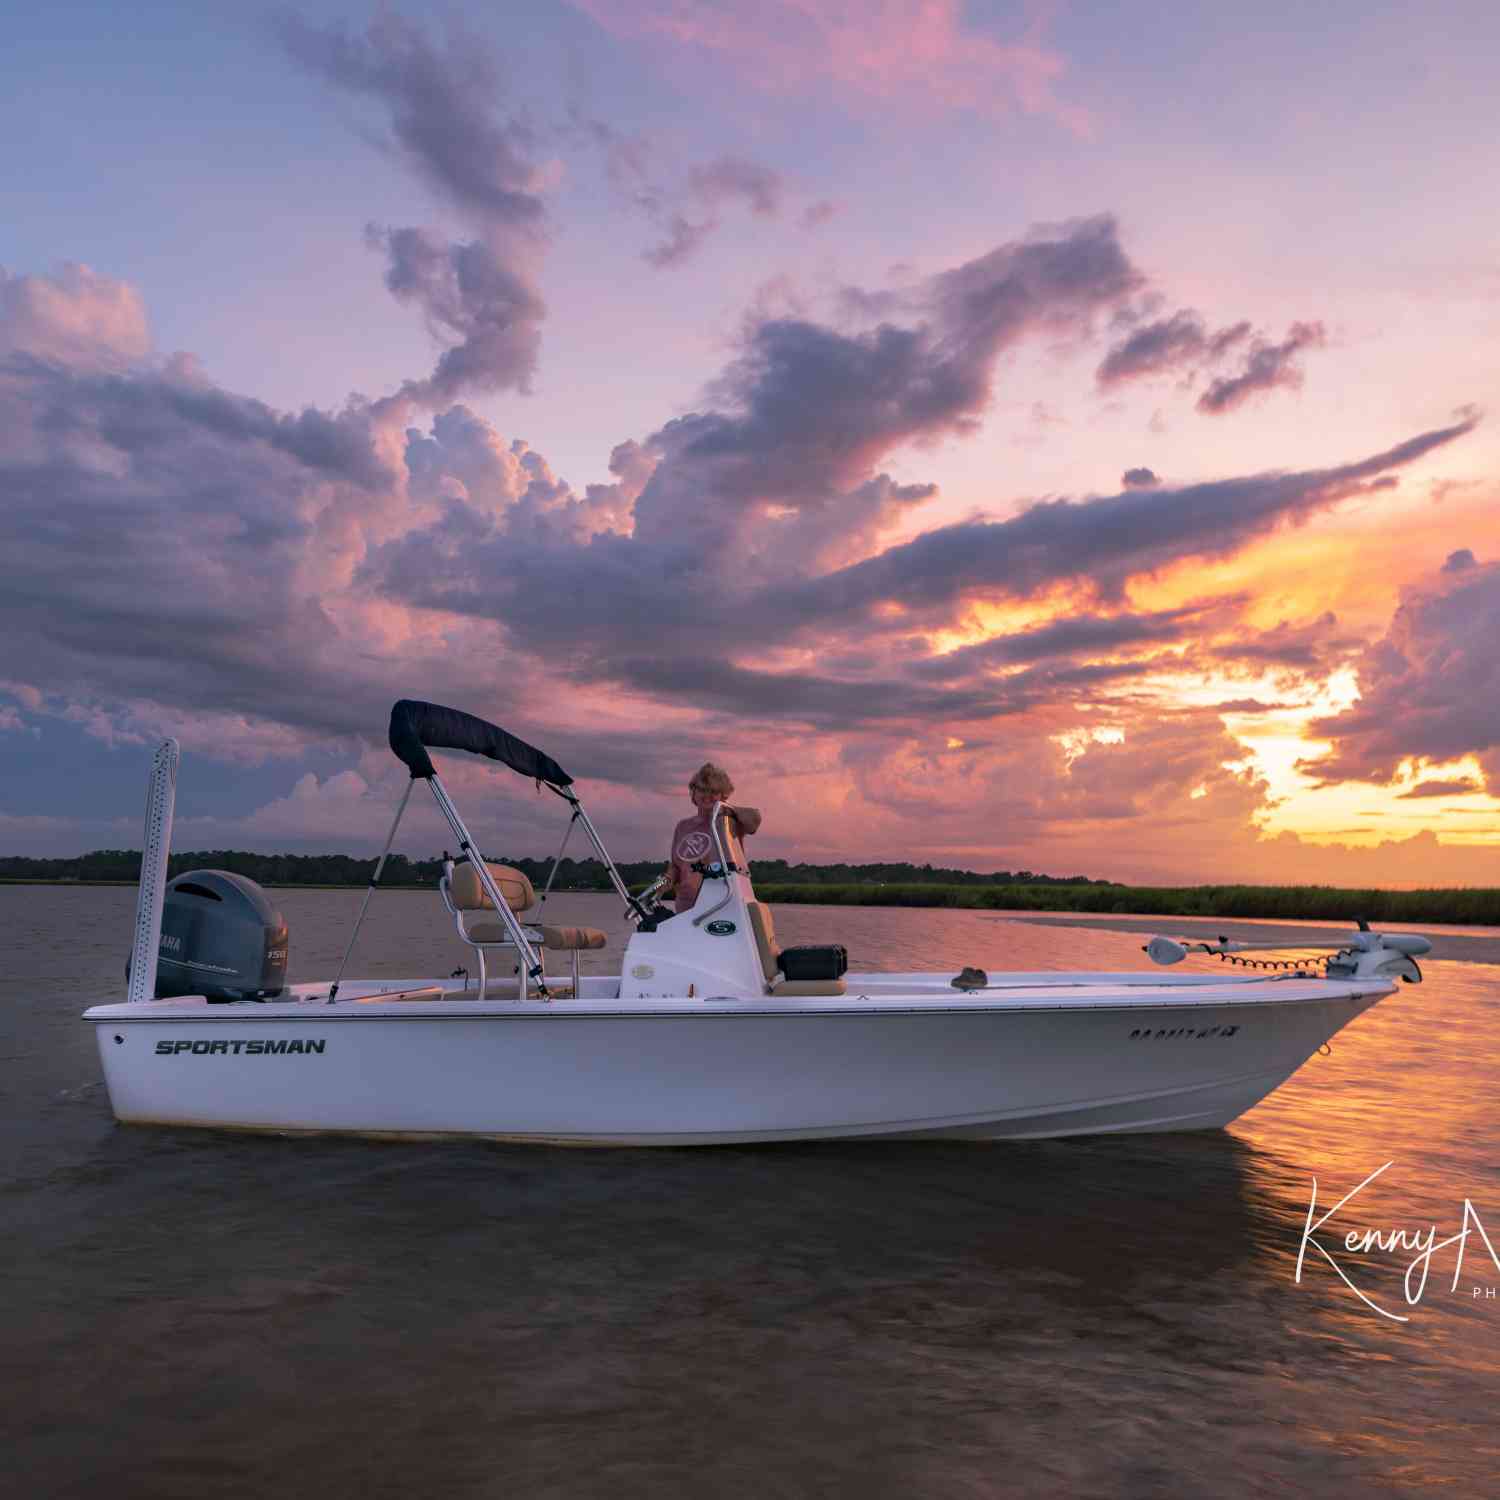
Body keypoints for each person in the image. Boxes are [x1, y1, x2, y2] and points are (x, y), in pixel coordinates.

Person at [662, 763, 761, 913]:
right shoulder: (682, 826)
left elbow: (755, 819)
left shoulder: (729, 821)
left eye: (713, 791)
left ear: (723, 795)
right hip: (685, 909)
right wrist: (662, 883)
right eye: (702, 789)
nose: (707, 795)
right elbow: (676, 866)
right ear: (693, 793)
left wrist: (725, 808)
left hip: (722, 906)